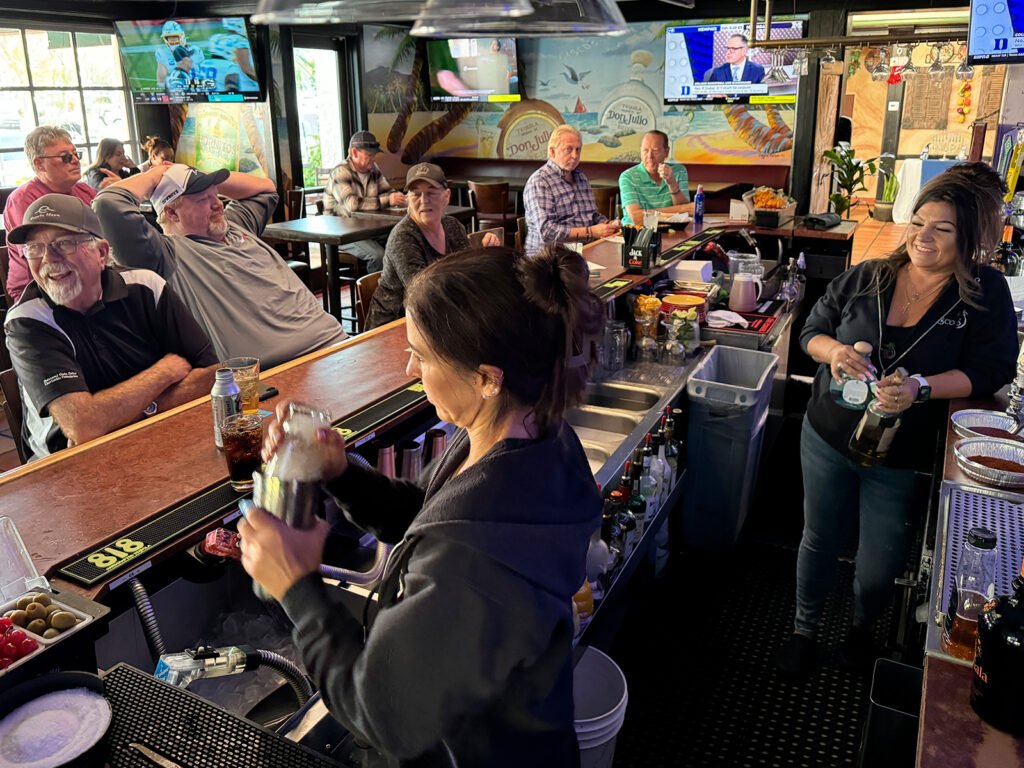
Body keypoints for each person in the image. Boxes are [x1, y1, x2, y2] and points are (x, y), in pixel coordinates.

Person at [237, 243, 604, 766]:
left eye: (424, 355)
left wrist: (297, 588)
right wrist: (341, 473)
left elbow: (384, 716)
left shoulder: (475, 556)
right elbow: (427, 513)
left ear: (486, 376)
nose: (412, 369)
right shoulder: (528, 435)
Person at [775, 169, 1018, 680]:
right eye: (918, 222)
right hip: (827, 433)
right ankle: (804, 630)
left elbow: (992, 370)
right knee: (818, 537)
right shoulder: (870, 275)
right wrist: (836, 352)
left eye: (942, 229)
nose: (922, 237)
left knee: (880, 559)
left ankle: (863, 633)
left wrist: (920, 388)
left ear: (968, 238)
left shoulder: (983, 292)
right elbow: (812, 329)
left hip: (900, 453)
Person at [4, 195, 218, 460]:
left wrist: (123, 414)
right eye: (34, 248)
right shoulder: (28, 320)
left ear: (102, 253)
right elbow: (83, 426)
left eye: (64, 243)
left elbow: (213, 375)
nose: (48, 258)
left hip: (160, 437)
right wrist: (164, 372)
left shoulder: (147, 286)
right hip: (69, 468)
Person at [93, 163, 348, 369]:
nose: (218, 204)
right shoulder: (163, 254)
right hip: (280, 370)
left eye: (217, 195)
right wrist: (155, 175)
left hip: (337, 345)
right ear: (171, 214)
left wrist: (196, 174)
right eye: (203, 199)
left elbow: (266, 188)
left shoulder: (235, 224)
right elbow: (108, 205)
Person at [366, 163, 497, 330]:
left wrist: (485, 255)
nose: (423, 200)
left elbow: (467, 278)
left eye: (431, 193)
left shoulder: (453, 227)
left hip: (439, 320)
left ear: (447, 196)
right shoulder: (404, 237)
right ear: (408, 200)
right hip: (394, 325)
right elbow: (423, 294)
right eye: (416, 194)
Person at [3, 126, 96, 303]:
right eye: (65, 157)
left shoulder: (84, 191)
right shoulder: (23, 200)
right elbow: (42, 258)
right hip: (39, 289)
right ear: (39, 164)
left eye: (77, 154)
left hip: (86, 278)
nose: (75, 160)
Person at [523, 124, 620, 258]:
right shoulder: (540, 182)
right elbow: (547, 232)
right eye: (568, 149)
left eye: (578, 150)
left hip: (583, 253)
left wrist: (608, 225)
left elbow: (591, 216)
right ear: (552, 152)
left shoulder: (581, 178)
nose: (574, 155)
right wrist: (591, 232)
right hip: (549, 259)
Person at [323, 131, 407, 273]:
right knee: (378, 255)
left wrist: (400, 197)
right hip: (342, 234)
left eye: (374, 155)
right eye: (369, 155)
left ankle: (397, 290)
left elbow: (387, 191)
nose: (373, 159)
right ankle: (374, 294)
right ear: (354, 153)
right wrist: (388, 200)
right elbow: (352, 205)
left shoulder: (373, 170)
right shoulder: (340, 172)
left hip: (367, 230)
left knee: (402, 241)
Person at [618, 130, 691, 226]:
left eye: (655, 150)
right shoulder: (628, 177)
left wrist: (672, 183)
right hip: (637, 235)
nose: (649, 156)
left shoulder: (678, 171)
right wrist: (680, 210)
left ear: (666, 152)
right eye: (645, 150)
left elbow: (686, 215)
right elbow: (637, 218)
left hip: (672, 232)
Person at [155, 20, 203, 89]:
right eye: (170, 39)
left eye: (175, 38)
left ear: (182, 36)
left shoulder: (196, 50)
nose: (173, 41)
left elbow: (202, 74)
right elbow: (161, 80)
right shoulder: (162, 52)